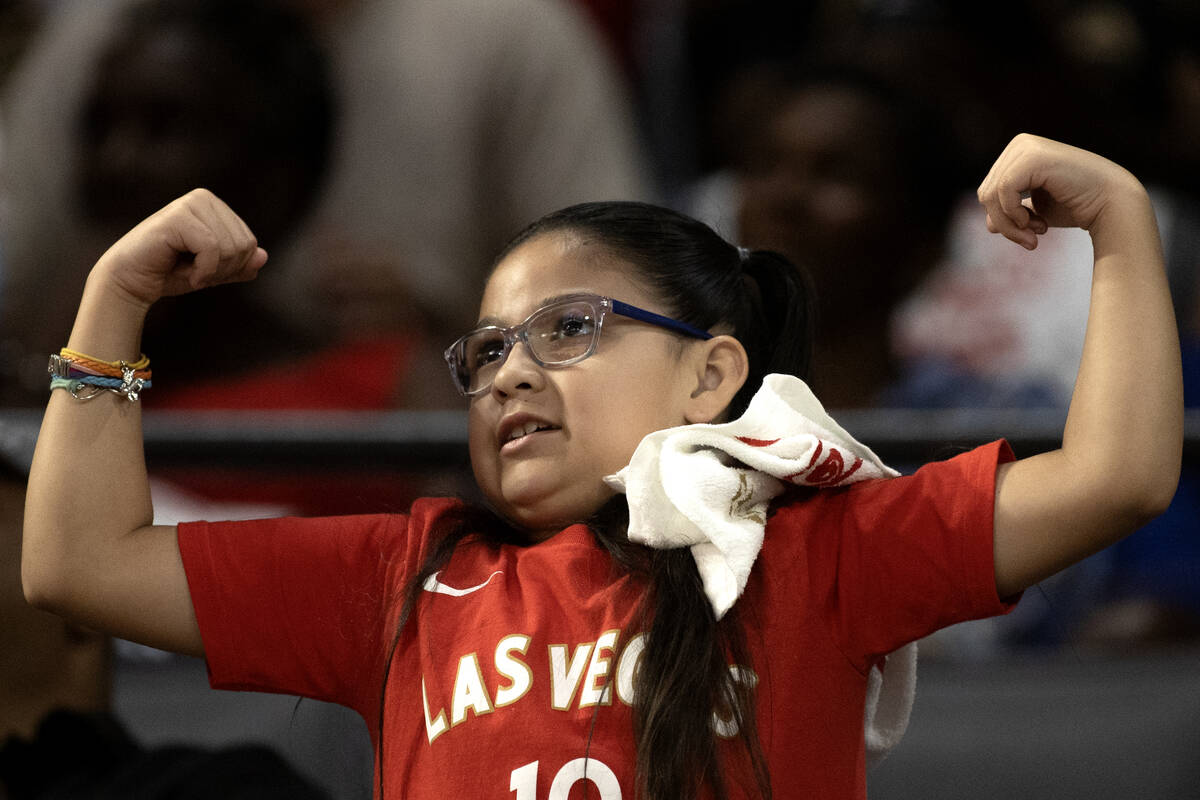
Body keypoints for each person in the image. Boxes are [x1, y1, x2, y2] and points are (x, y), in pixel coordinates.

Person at [21, 135, 1182, 798]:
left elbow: (1114, 477)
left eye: (570, 329)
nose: (511, 373)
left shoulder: (814, 549)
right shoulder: (401, 578)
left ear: (709, 373)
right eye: (486, 352)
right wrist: (114, 303)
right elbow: (81, 563)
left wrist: (1122, 224)